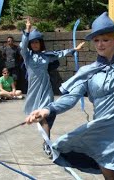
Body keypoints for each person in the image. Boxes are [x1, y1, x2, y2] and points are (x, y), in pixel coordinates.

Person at [25, 0, 114, 179]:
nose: (100, 44)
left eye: (105, 39)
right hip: (102, 136)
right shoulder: (87, 72)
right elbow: (70, 98)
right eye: (96, 40)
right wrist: (47, 109)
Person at [20, 17, 85, 156]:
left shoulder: (46, 56)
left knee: (48, 114)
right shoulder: (27, 56)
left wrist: (74, 49)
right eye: (32, 43)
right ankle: (47, 142)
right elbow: (22, 45)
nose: (35, 44)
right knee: (42, 117)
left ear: (40, 43)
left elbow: (60, 53)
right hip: (34, 89)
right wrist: (27, 29)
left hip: (46, 88)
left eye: (37, 42)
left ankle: (46, 141)